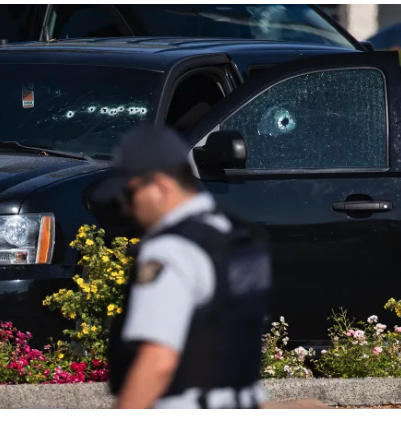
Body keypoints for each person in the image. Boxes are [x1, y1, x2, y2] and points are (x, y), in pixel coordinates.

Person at [93, 125, 271, 409]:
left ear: (161, 186)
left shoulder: (170, 250)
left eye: (129, 194)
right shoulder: (236, 237)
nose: (126, 208)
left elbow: (158, 361)